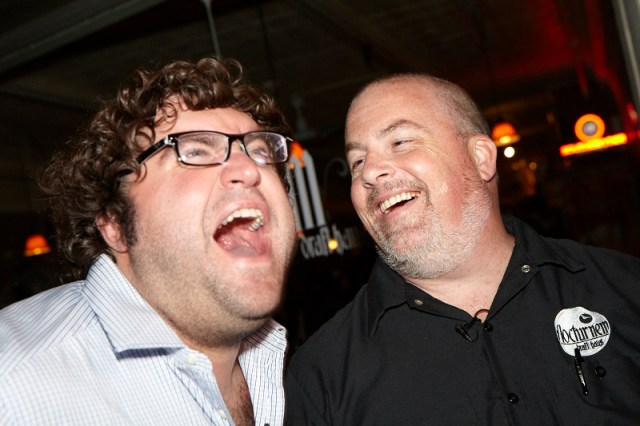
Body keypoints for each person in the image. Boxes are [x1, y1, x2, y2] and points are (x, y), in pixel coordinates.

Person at [285, 74, 640, 424]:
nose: (369, 173)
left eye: (401, 142)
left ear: (481, 157)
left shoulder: (624, 289)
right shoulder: (322, 378)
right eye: (357, 162)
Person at [0, 57, 297, 425]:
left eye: (261, 151)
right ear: (115, 224)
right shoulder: (14, 385)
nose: (250, 169)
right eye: (195, 151)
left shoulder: (292, 369)